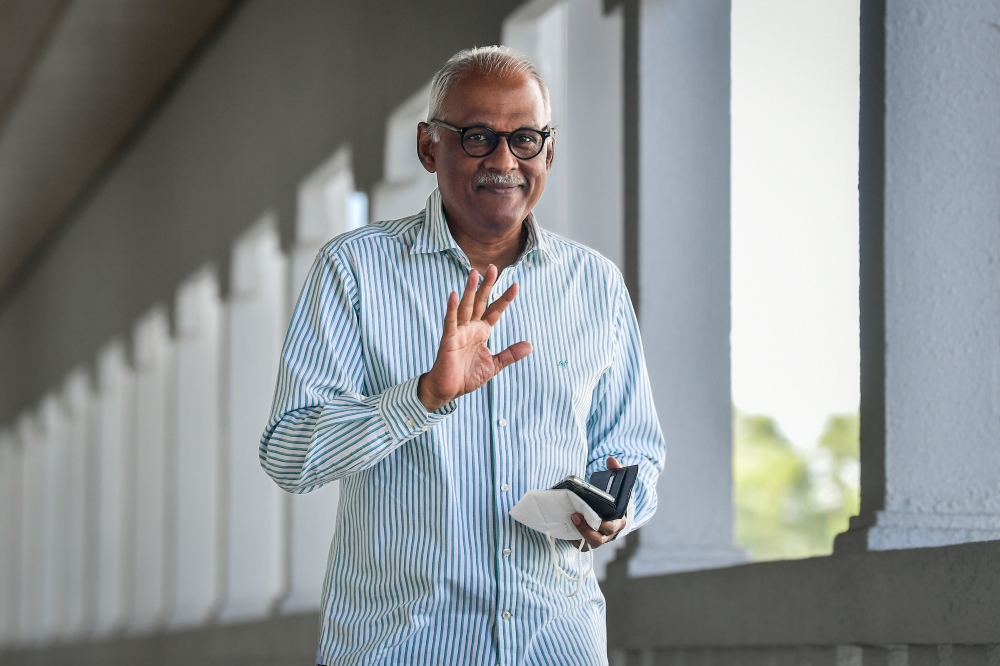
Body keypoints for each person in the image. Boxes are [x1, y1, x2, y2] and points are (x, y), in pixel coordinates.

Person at [260, 45, 665, 666]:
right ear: (429, 147)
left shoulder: (595, 284)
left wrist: (615, 512)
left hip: (556, 646)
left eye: (525, 138)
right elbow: (290, 454)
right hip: (402, 648)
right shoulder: (354, 271)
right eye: (477, 136)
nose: (504, 160)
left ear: (548, 152)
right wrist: (423, 398)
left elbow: (635, 450)